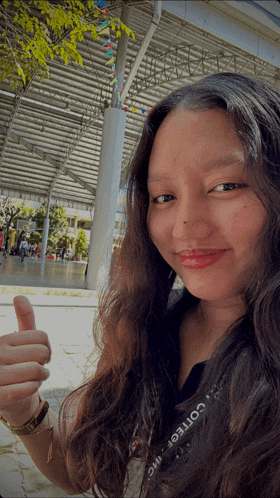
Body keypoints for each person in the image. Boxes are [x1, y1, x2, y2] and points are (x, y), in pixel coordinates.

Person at [1, 73, 280, 498]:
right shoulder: (142, 327)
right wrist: (24, 411)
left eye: (225, 186)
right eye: (163, 197)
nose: (185, 225)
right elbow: (80, 470)